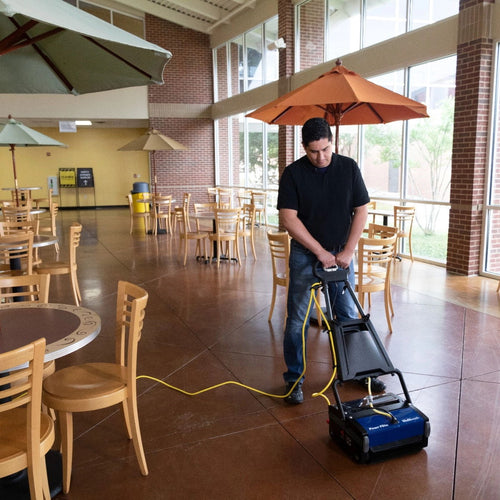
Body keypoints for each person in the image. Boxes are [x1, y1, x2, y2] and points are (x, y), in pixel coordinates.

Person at [277, 117, 385, 404]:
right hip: (305, 254)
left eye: (325, 149)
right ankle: (294, 380)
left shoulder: (348, 168)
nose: (321, 156)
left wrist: (348, 251)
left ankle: (360, 371)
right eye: (314, 151)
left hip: (341, 253)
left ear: (331, 143)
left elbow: (361, 210)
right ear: (304, 147)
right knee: (297, 320)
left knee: (347, 316)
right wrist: (319, 252)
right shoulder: (293, 174)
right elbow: (289, 218)